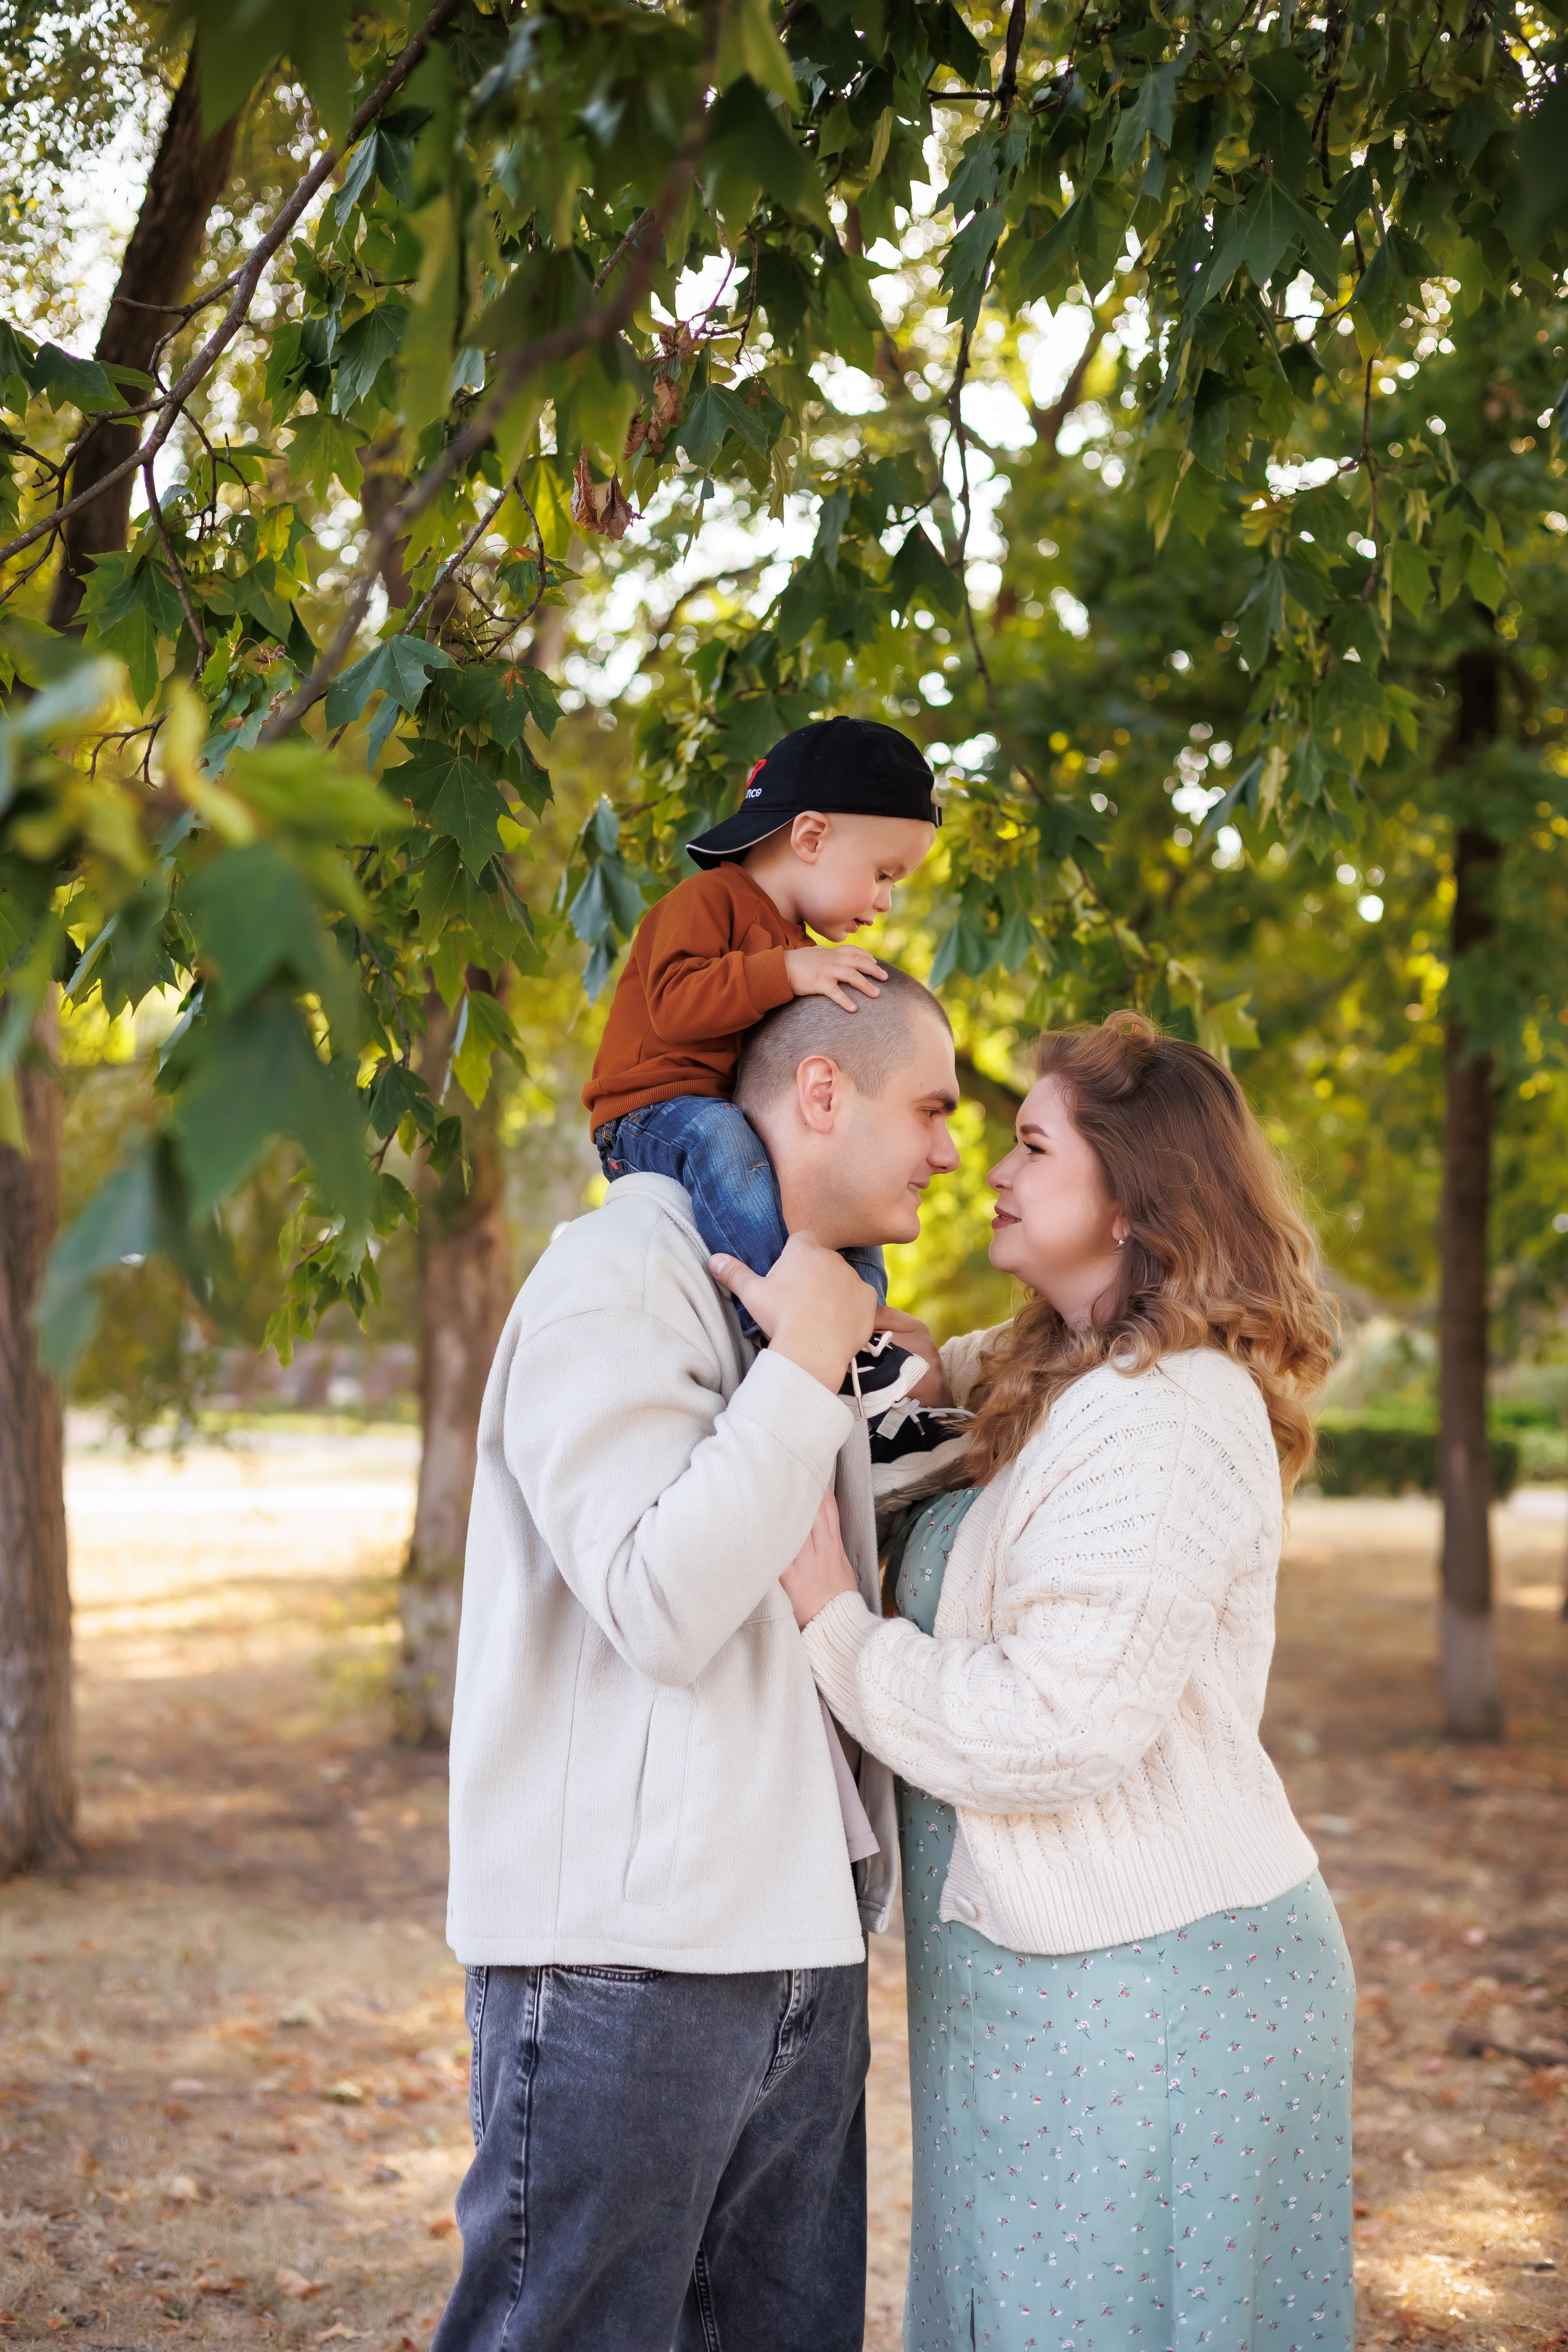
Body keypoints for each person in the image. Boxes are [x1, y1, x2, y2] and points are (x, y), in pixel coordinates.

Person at [753, 1010, 1353, 2352]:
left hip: (1157, 1997)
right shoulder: (1062, 1368)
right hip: (1042, 1982)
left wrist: (833, 1623)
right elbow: (909, 1371)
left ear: (1133, 1197)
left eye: (1030, 1145)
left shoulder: (1166, 1416)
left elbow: (1054, 1729)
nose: (993, 1171)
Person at [434, 969, 962, 2352]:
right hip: (625, 1961)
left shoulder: (806, 1299)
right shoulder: (614, 1279)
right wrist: (802, 1370)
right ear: (820, 1089)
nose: (953, 1148)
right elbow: (657, 1602)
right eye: (932, 1106)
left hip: (801, 1940)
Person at [584, 714, 941, 1422]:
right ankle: (785, 1323)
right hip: (650, 1114)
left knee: (852, 1183)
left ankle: (861, 1333)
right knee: (721, 1137)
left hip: (728, 1117)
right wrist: (787, 970)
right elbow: (678, 1006)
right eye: (882, 873)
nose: (885, 900)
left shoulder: (797, 946)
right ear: (809, 838)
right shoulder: (707, 901)